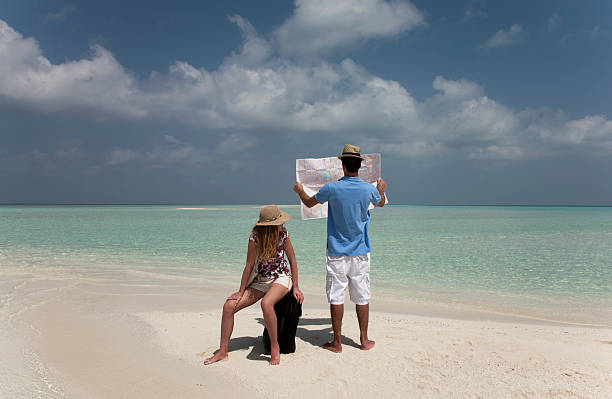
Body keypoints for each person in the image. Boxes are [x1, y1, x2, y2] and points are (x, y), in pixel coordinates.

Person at [293, 144, 386, 353]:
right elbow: (379, 202)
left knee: (336, 296)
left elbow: (309, 203)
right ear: (359, 166)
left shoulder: (332, 188)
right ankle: (364, 340)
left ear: (342, 165)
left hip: (336, 251)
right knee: (362, 296)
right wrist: (381, 188)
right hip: (361, 251)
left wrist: (300, 190)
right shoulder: (368, 189)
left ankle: (337, 342)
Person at [204, 205, 304, 366]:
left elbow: (292, 260)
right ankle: (223, 351)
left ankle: (274, 346)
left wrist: (296, 287)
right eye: (280, 222)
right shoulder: (255, 238)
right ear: (271, 225)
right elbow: (249, 265)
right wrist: (240, 291)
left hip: (281, 277)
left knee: (266, 304)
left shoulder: (283, 235)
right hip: (261, 280)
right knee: (228, 306)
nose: (283, 224)